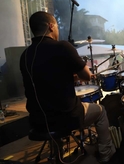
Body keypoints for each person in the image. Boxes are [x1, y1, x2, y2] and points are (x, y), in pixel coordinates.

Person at [19, 11, 116, 163]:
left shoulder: (24, 56)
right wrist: (80, 74)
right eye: (56, 26)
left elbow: (46, 79)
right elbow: (86, 75)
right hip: (66, 117)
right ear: (51, 26)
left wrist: (68, 76)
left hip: (37, 121)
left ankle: (58, 156)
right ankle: (107, 154)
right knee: (101, 111)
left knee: (48, 109)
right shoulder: (63, 47)